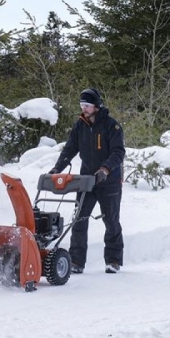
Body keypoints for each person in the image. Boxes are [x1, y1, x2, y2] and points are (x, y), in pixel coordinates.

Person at [49, 88, 125, 274]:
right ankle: (76, 262)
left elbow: (118, 152)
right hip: (86, 181)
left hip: (109, 182)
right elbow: (69, 149)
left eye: (88, 105)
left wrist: (105, 169)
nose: (84, 109)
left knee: (111, 221)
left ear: (97, 106)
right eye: (82, 105)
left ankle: (113, 260)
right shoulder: (80, 125)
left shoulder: (111, 125)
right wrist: (57, 168)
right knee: (79, 220)